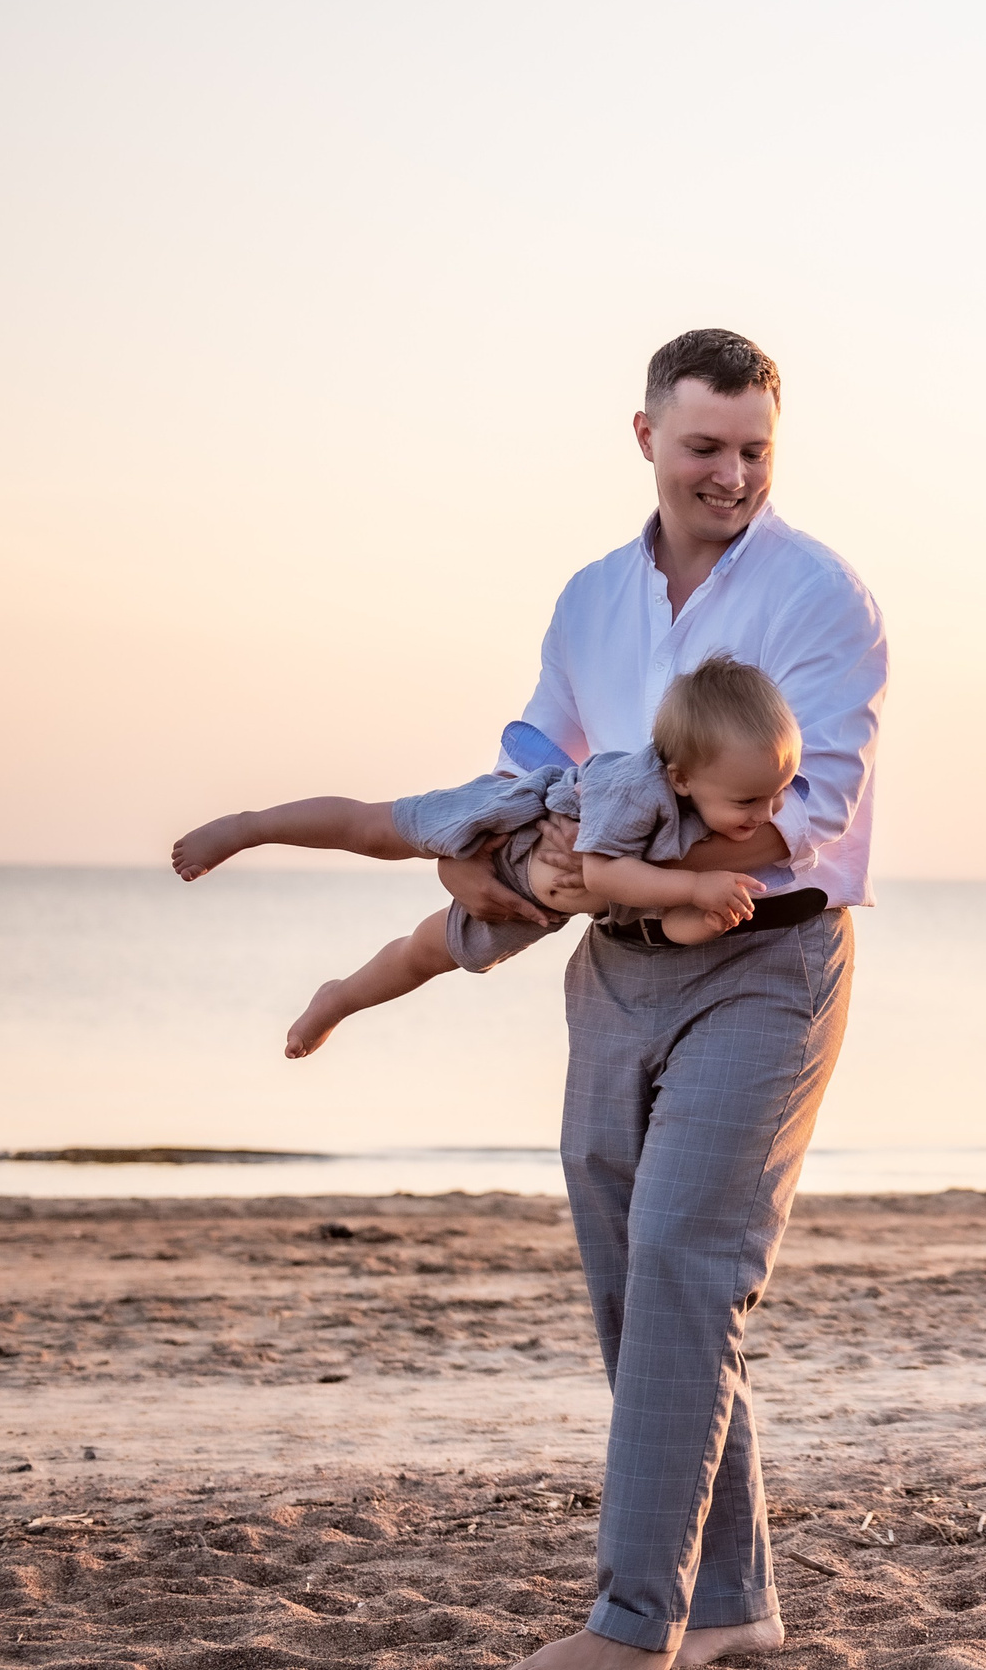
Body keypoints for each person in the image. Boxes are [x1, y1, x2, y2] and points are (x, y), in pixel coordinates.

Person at [455, 328, 884, 1670]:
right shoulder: (591, 598)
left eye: (755, 448)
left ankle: (629, 1625)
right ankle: (732, 1607)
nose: (732, 472)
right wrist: (528, 853)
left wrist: (615, 869)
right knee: (636, 1289)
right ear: (646, 436)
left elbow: (801, 817)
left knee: (690, 1271)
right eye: (707, 446)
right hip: (617, 973)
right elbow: (537, 754)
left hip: (768, 959)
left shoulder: (824, 598)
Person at [168, 654, 796, 1057]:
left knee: (426, 953)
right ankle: (250, 826)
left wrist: (708, 917)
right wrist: (693, 888)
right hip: (513, 819)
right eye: (749, 799)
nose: (764, 816)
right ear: (681, 776)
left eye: (775, 797)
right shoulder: (638, 789)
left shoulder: (695, 832)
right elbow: (602, 871)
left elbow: (656, 918)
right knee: (373, 829)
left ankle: (338, 999)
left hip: (526, 902)